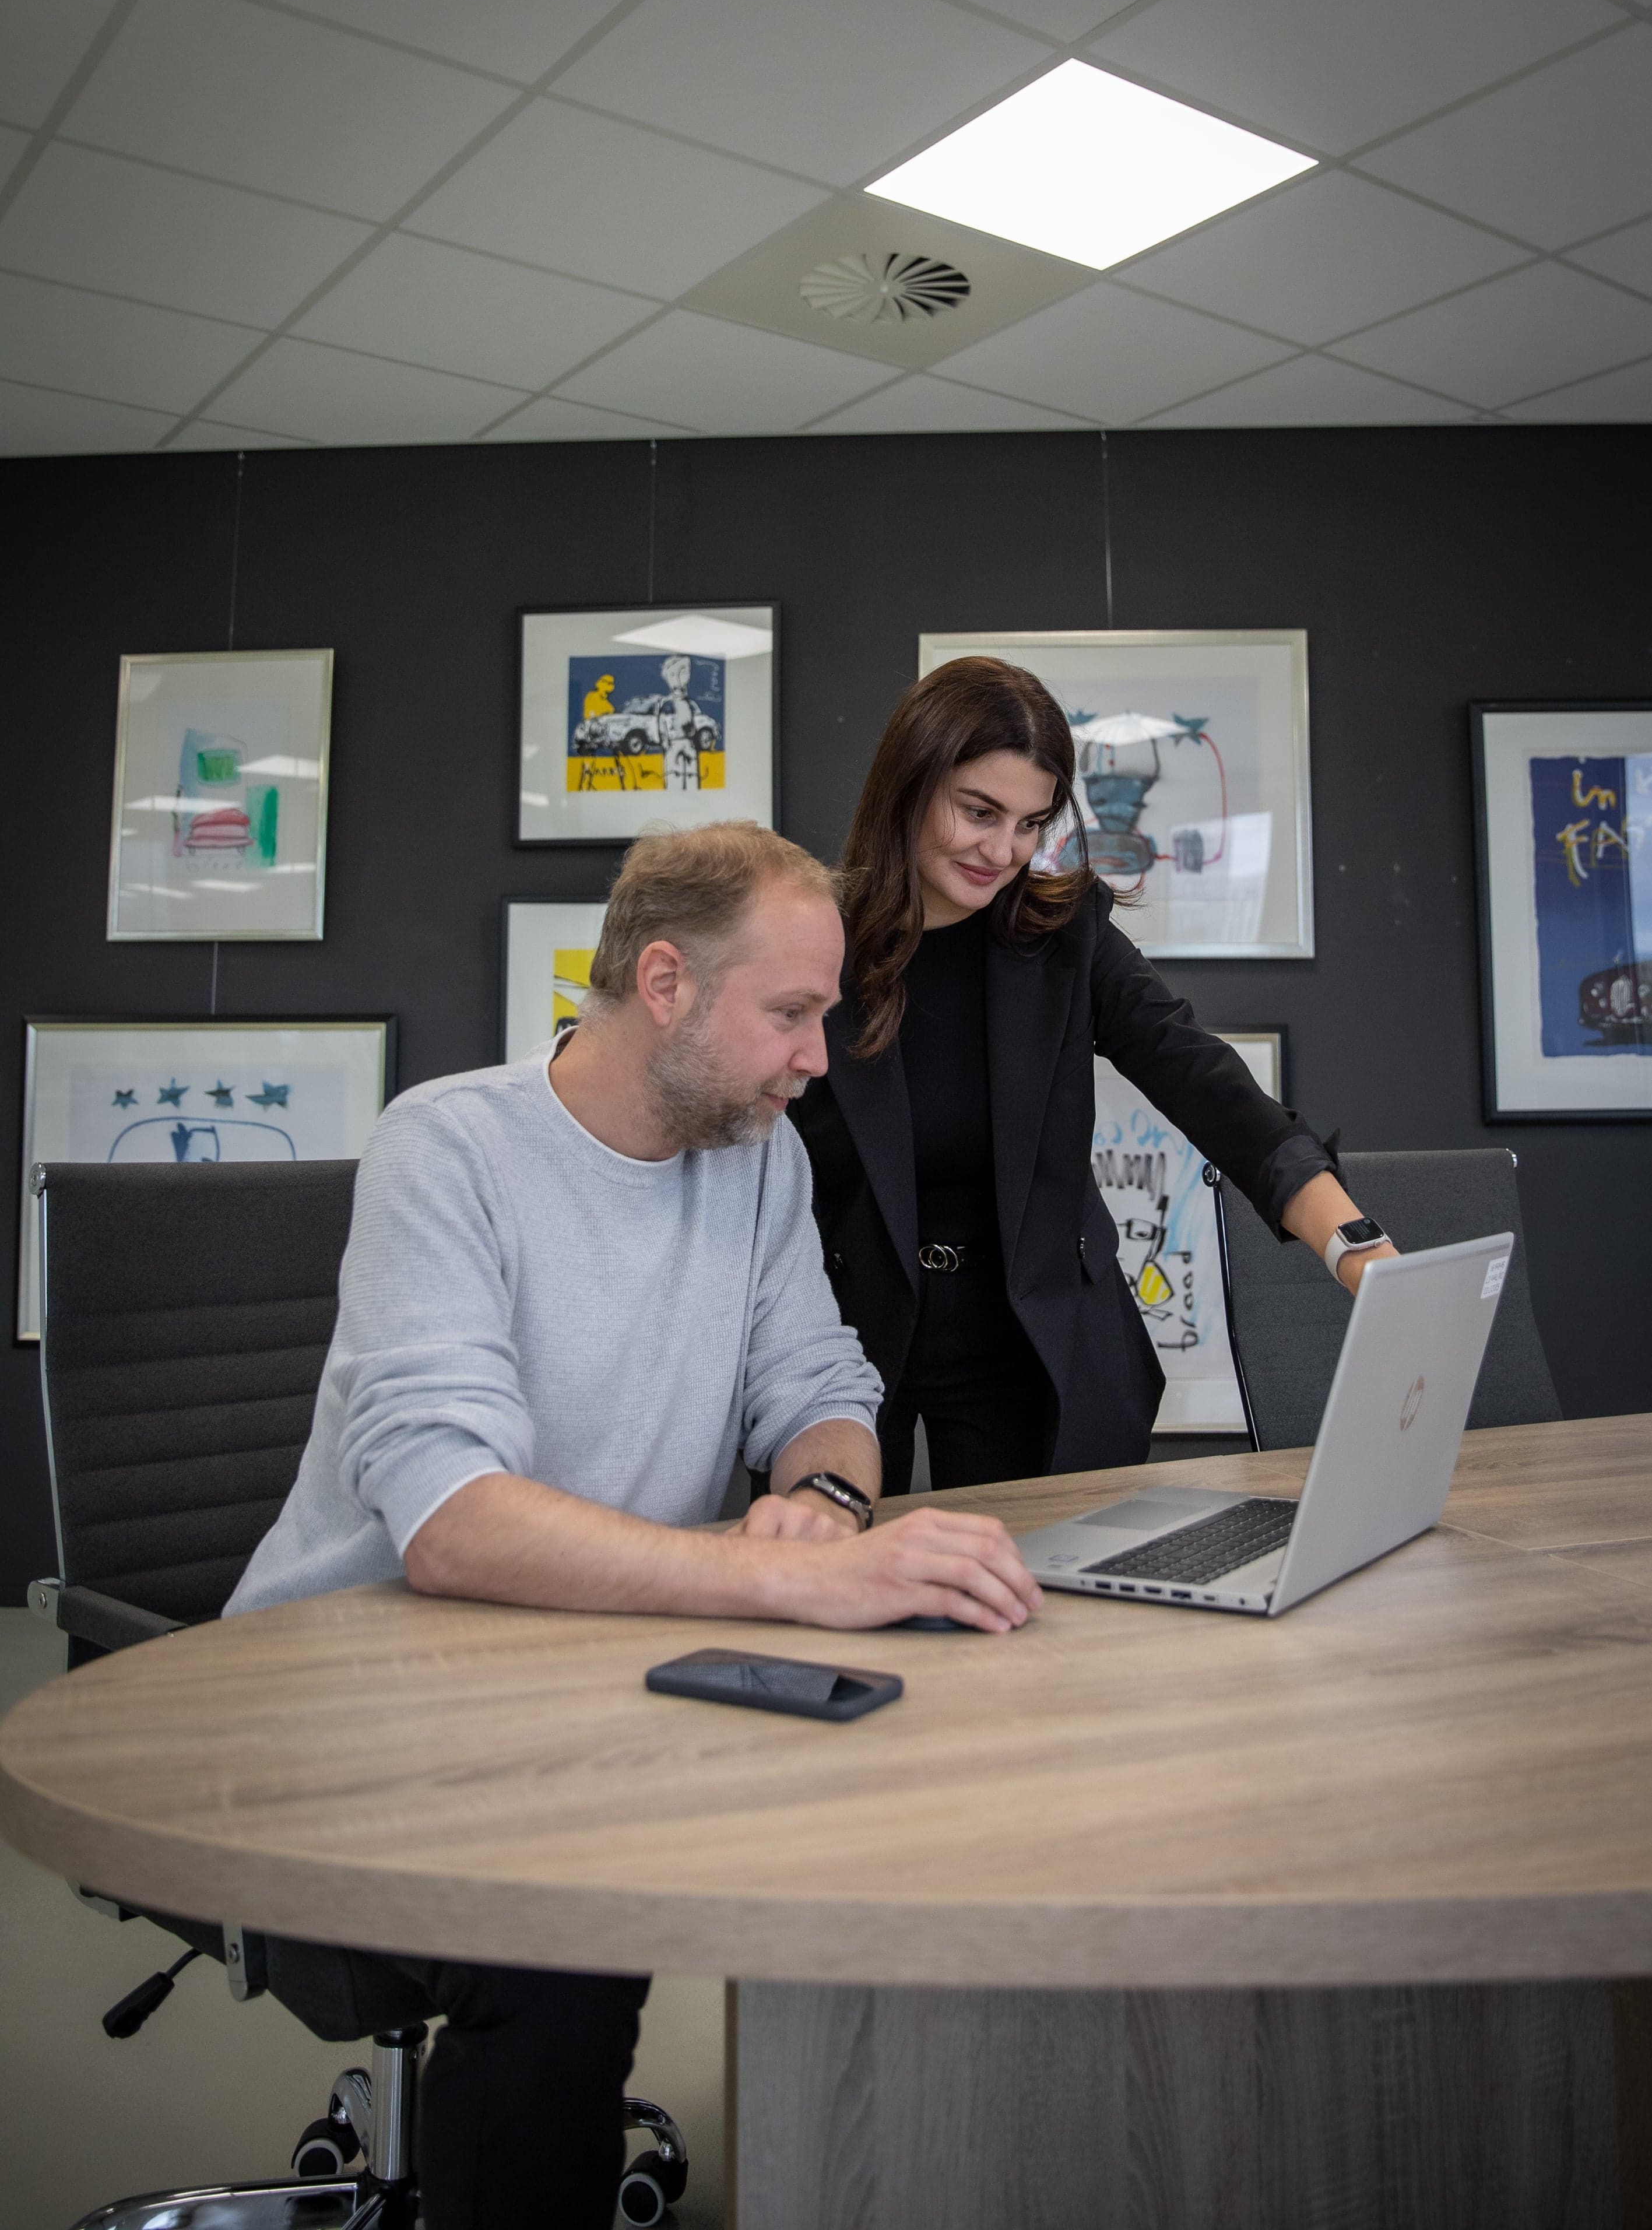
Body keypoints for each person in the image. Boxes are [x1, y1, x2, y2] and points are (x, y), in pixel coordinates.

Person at [225, 819, 1041, 2230]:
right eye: (789, 1013)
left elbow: (826, 1387)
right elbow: (451, 1523)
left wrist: (823, 1500)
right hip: (347, 1704)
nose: (815, 1057)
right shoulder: (447, 1147)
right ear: (663, 980)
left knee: (906, 1800)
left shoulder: (760, 1160)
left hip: (588, 1670)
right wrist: (777, 1580)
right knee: (560, 1952)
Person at [789, 658, 1396, 1496]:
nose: (1002, 851)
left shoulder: (1064, 936)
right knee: (827, 1591)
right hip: (837, 1341)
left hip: (1030, 1337)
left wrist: (1354, 1245)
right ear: (908, 784)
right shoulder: (808, 939)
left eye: (1030, 823)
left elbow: (1199, 1076)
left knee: (1050, 1605)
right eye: (978, 812)